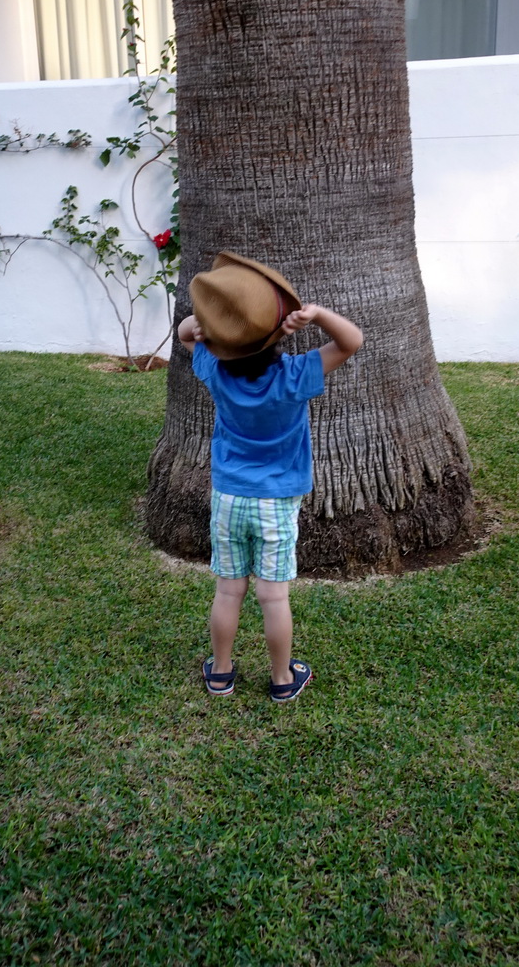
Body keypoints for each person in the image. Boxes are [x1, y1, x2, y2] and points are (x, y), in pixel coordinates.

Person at [177, 251, 363, 702]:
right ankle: (282, 679)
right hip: (276, 502)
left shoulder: (215, 371)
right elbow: (351, 341)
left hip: (228, 497)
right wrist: (316, 315)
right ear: (278, 335)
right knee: (273, 598)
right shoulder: (296, 375)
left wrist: (202, 328)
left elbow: (184, 333)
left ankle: (220, 672)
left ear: (221, 341)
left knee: (228, 590)